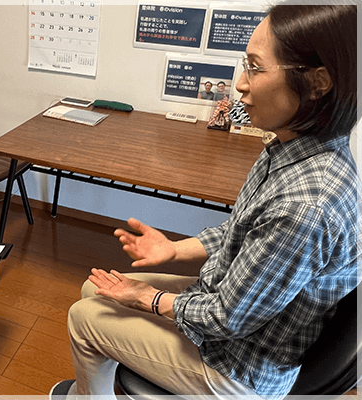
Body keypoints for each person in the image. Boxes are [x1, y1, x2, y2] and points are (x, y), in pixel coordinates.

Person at [51, 4, 359, 399]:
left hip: (240, 367)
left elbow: (227, 318)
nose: (240, 84)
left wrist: (148, 299)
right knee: (95, 291)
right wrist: (173, 250)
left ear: (318, 82)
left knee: (85, 317)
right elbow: (239, 233)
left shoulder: (306, 207)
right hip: (230, 315)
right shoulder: (290, 148)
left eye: (255, 68)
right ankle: (104, 383)